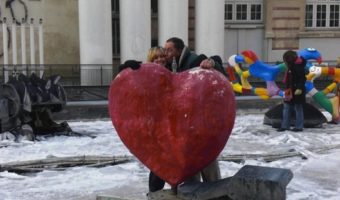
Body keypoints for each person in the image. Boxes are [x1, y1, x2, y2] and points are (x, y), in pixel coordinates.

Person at [277, 50, 307, 132]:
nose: (285, 62)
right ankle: (285, 125)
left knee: (298, 108)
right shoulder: (291, 66)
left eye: (285, 60)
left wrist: (300, 88)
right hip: (289, 89)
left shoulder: (298, 66)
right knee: (286, 107)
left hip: (297, 89)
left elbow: (302, 78)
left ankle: (299, 126)